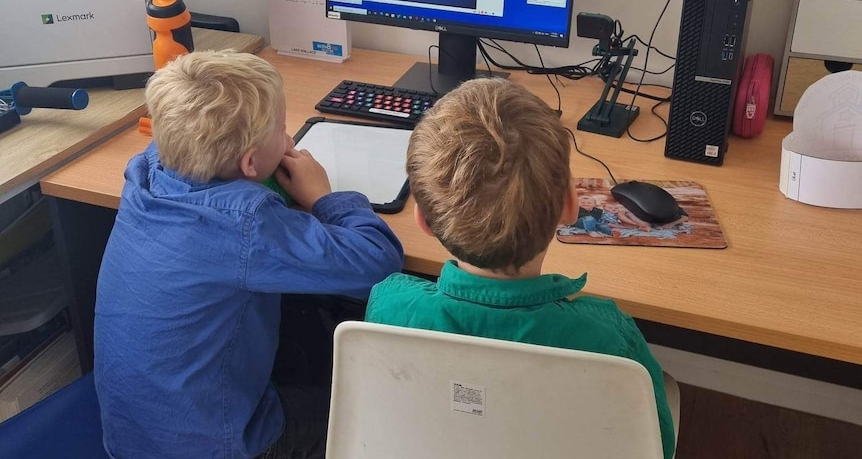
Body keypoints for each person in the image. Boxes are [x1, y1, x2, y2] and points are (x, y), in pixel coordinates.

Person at [93, 51, 404, 459]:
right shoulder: (245, 224)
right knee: (374, 408)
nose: (290, 140)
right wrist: (323, 196)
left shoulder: (145, 173)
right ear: (250, 162)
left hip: (132, 438)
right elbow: (379, 261)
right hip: (221, 446)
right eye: (282, 130)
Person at [364, 78, 675, 459]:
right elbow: (656, 444)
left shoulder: (389, 308)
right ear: (570, 206)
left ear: (423, 221)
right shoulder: (611, 339)